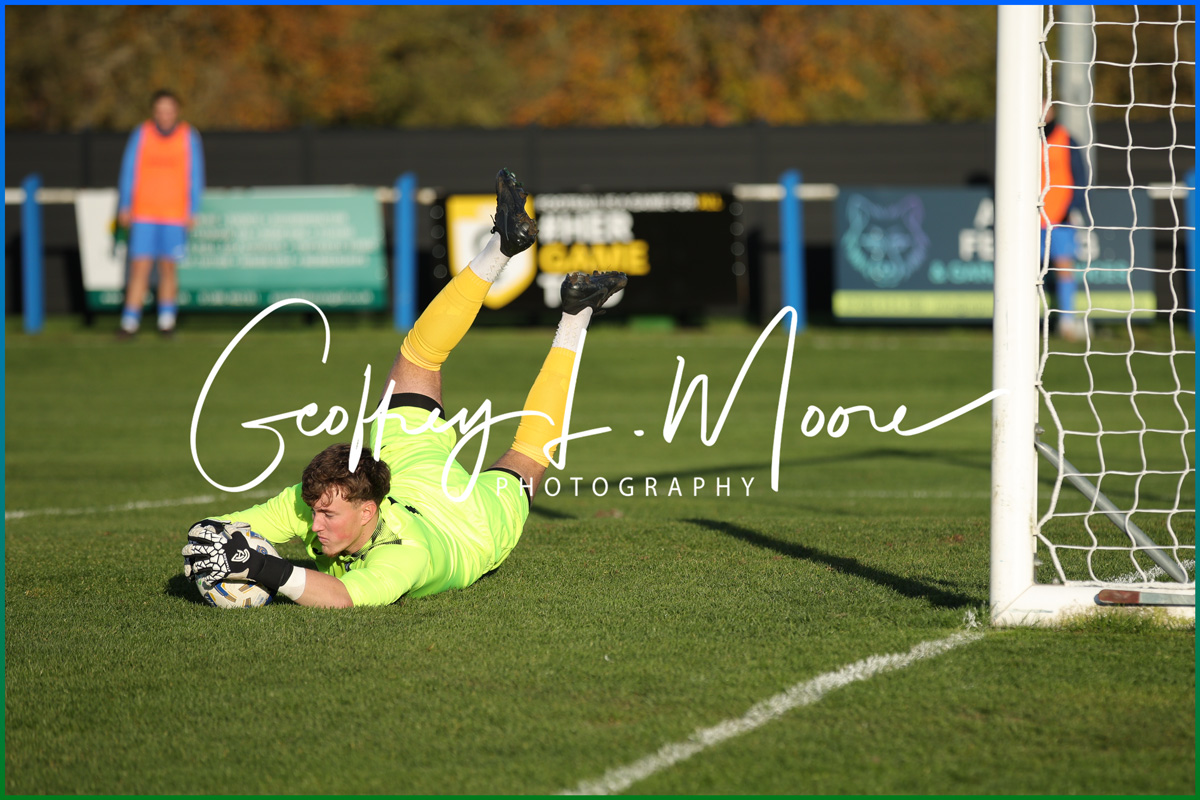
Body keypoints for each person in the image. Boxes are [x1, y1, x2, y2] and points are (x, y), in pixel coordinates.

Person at [182, 168, 627, 609]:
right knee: (419, 357)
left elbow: (342, 597)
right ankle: (513, 255)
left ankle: (575, 316)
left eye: (327, 516)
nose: (313, 523)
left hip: (472, 529)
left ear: (367, 510)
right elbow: (224, 525)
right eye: (316, 510)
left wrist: (259, 568)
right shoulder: (320, 498)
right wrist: (206, 540)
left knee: (529, 453)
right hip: (414, 479)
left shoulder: (404, 556)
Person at [116, 89, 206, 338]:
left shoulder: (188, 136)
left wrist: (193, 209)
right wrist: (125, 204)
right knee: (140, 268)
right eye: (160, 111)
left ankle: (166, 321)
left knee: (168, 268)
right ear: (154, 112)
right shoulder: (141, 134)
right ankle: (129, 322)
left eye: (169, 110)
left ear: (176, 112)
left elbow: (195, 175)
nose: (165, 115)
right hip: (144, 212)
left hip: (174, 214)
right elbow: (129, 171)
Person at [1041, 105, 1089, 341]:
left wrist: (1073, 208)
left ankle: (1067, 320)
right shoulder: (1022, 138)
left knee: (1063, 267)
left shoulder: (1066, 139)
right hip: (1028, 221)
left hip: (1059, 218)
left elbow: (1079, 177)